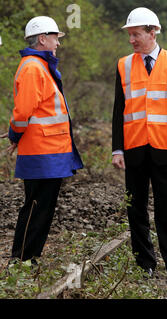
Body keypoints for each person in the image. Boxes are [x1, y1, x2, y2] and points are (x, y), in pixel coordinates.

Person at [111, 7, 167, 286]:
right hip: (134, 148)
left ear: (152, 32)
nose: (132, 40)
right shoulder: (123, 65)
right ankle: (144, 264)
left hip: (165, 148)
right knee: (135, 209)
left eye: (136, 34)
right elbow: (118, 109)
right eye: (130, 35)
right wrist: (117, 148)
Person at [1, 16, 83, 263]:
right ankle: (22, 258)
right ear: (42, 38)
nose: (58, 43)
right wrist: (15, 134)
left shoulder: (40, 66)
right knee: (36, 205)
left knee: (44, 207)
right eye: (56, 37)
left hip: (50, 150)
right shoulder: (32, 68)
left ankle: (31, 256)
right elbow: (23, 112)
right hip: (41, 151)